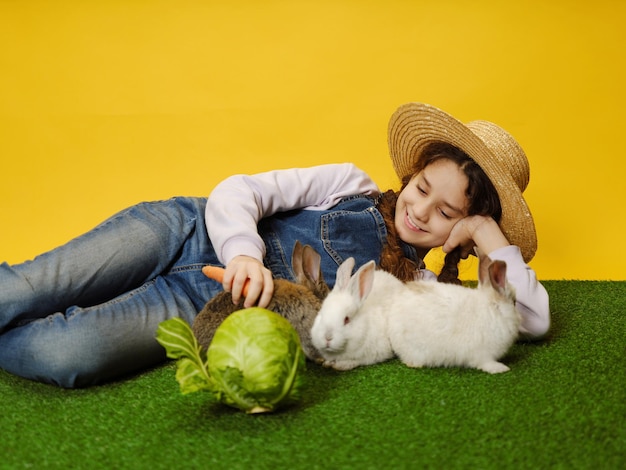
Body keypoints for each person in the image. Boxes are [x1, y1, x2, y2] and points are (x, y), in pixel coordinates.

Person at [0, 102, 550, 388]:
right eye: (421, 188)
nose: (421, 210)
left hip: (201, 307)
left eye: (447, 213)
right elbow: (241, 190)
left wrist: (485, 233)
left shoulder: (417, 290)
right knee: (26, 288)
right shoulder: (349, 184)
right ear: (410, 173)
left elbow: (533, 320)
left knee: (69, 355)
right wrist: (242, 252)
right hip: (183, 230)